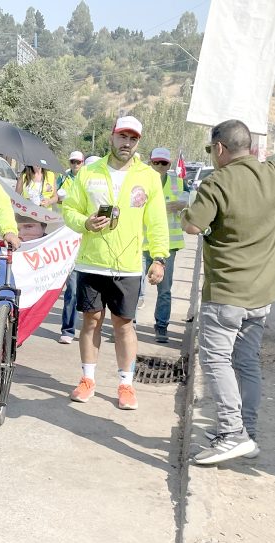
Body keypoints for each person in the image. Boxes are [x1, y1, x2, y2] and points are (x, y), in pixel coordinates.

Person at [182, 94, 275, 465]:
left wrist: (184, 213)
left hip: (227, 294)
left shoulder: (217, 183)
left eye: (212, 149)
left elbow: (194, 225)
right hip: (263, 295)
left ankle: (231, 432)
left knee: (216, 361)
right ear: (251, 147)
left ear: (221, 148)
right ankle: (247, 432)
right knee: (247, 362)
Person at [62, 115, 169, 410]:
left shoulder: (148, 177)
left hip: (128, 265)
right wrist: (85, 222)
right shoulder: (89, 172)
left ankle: (126, 384)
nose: (127, 143)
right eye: (123, 136)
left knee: (123, 325)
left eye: (133, 139)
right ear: (112, 137)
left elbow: (157, 221)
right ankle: (87, 380)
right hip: (92, 262)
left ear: (138, 143)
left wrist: (158, 258)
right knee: (91, 321)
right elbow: (69, 208)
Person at [142, 147, 190, 343]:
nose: (159, 167)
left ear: (169, 165)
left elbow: (192, 202)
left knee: (165, 290)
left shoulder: (179, 183)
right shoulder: (140, 184)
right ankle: (127, 324)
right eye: (156, 163)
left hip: (167, 246)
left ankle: (161, 326)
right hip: (141, 244)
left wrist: (183, 205)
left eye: (163, 163)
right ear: (150, 163)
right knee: (134, 288)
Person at [56, 150, 85, 344]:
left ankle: (91, 331)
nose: (75, 164)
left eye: (78, 162)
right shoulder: (63, 178)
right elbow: (53, 198)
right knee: (72, 288)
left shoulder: (87, 180)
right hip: (65, 236)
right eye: (72, 161)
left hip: (86, 239)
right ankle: (68, 329)